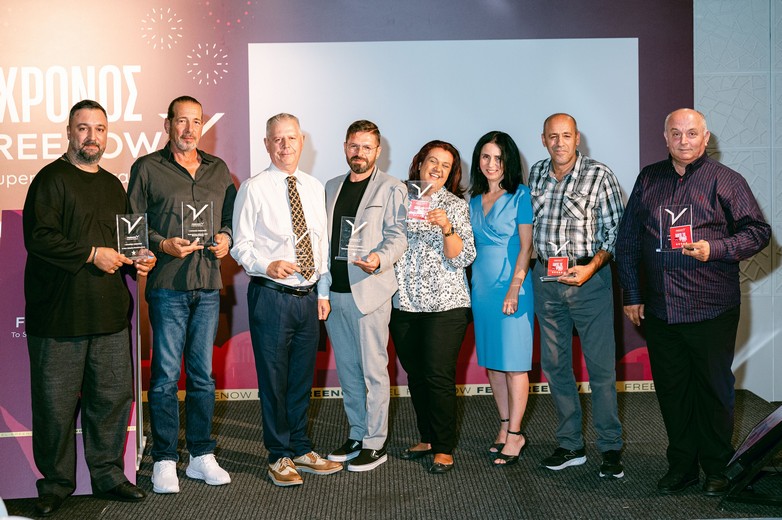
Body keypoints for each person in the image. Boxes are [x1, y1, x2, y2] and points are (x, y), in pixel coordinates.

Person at [616, 108, 771, 496]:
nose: (683, 140)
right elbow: (628, 240)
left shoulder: (726, 180)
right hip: (661, 310)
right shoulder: (649, 178)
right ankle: (682, 466)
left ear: (706, 138)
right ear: (665, 138)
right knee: (672, 392)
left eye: (691, 133)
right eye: (676, 133)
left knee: (713, 391)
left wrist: (715, 248)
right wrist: (632, 294)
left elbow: (758, 232)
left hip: (711, 309)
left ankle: (718, 467)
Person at [23, 100, 153, 516]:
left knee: (111, 400)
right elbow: (39, 238)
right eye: (83, 128)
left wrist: (139, 259)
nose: (92, 136)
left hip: (110, 316)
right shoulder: (50, 180)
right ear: (69, 132)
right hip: (59, 318)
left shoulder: (113, 185)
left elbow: (125, 242)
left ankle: (109, 475)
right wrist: (92, 253)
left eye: (99, 129)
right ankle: (56, 484)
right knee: (55, 406)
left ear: (106, 134)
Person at [128, 96, 234, 494]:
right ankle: (165, 459)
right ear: (168, 124)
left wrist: (226, 238)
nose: (189, 129)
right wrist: (161, 244)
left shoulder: (218, 169)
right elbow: (134, 224)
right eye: (181, 121)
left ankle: (201, 455)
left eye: (196, 122)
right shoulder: (147, 168)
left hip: (207, 285)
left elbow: (231, 219)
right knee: (165, 378)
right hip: (168, 287)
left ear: (203, 126)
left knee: (203, 377)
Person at [231, 113, 342, 487]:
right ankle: (278, 455)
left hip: (308, 299)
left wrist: (322, 291)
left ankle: (300, 448)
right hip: (271, 296)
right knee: (274, 380)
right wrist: (267, 265)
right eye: (277, 139)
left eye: (291, 138)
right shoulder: (254, 188)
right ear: (267, 144)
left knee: (300, 380)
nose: (285, 145)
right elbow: (241, 245)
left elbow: (321, 244)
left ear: (302, 141)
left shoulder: (313, 187)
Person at [529, 113, 625, 478]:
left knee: (601, 369)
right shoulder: (536, 174)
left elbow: (616, 232)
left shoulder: (600, 175)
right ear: (543, 139)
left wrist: (591, 268)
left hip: (589, 280)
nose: (559, 143)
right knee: (555, 367)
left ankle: (610, 447)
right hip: (546, 281)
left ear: (577, 137)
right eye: (552, 136)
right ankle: (570, 444)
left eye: (566, 135)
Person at [324, 121, 407, 471]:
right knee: (348, 372)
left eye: (367, 147)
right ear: (345, 147)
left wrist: (379, 259)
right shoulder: (330, 187)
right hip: (334, 293)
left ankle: (375, 443)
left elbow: (399, 235)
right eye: (354, 146)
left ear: (378, 151)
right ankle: (357, 434)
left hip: (370, 292)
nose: (359, 153)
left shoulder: (392, 188)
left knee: (374, 372)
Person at [390, 140, 476, 474]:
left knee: (438, 375)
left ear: (451, 173)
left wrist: (446, 228)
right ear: (420, 163)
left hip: (446, 304)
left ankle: (443, 447)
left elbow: (462, 257)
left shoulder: (455, 205)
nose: (437, 168)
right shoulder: (399, 198)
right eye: (432, 161)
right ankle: (426, 438)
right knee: (416, 374)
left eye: (445, 165)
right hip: (404, 302)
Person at [468, 131, 534, 466]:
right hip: (481, 289)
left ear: (508, 161)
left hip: (513, 288)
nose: (491, 164)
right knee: (493, 363)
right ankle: (505, 425)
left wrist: (513, 287)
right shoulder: (472, 201)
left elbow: (526, 247)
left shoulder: (521, 195)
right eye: (485, 157)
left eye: (498, 157)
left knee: (514, 364)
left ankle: (517, 433)